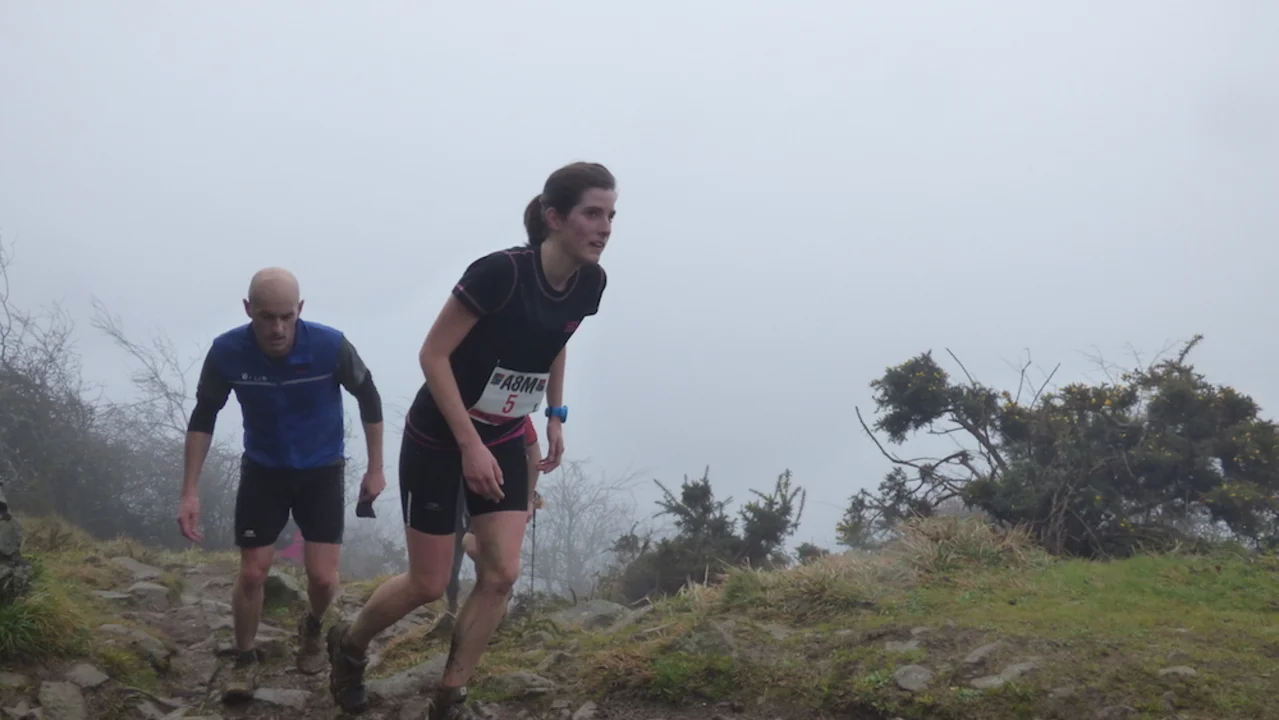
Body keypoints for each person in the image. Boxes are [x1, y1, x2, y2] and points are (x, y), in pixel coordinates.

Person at [327, 161, 616, 718]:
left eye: (611, 216)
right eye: (592, 214)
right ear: (555, 217)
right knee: (428, 583)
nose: (604, 228)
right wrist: (468, 444)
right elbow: (432, 354)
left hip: (505, 432)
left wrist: (555, 414)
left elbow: (558, 338)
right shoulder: (499, 274)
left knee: (501, 573)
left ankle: (450, 696)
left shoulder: (590, 281)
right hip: (441, 434)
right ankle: (350, 645)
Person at [176, 267, 386, 703]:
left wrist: (375, 468)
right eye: (266, 317)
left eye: (287, 317)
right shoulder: (227, 352)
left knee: (323, 579)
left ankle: (312, 627)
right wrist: (189, 491)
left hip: (321, 470)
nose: (277, 328)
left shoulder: (329, 346)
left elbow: (369, 396)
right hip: (264, 470)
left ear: (300, 309)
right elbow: (204, 416)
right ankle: (244, 658)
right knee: (253, 571)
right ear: (248, 309)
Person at [430, 417, 542, 639]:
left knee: (474, 546)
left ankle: (494, 604)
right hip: (459, 484)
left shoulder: (514, 410)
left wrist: (528, 498)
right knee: (456, 549)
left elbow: (534, 453)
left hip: (496, 485)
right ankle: (453, 607)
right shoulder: (456, 406)